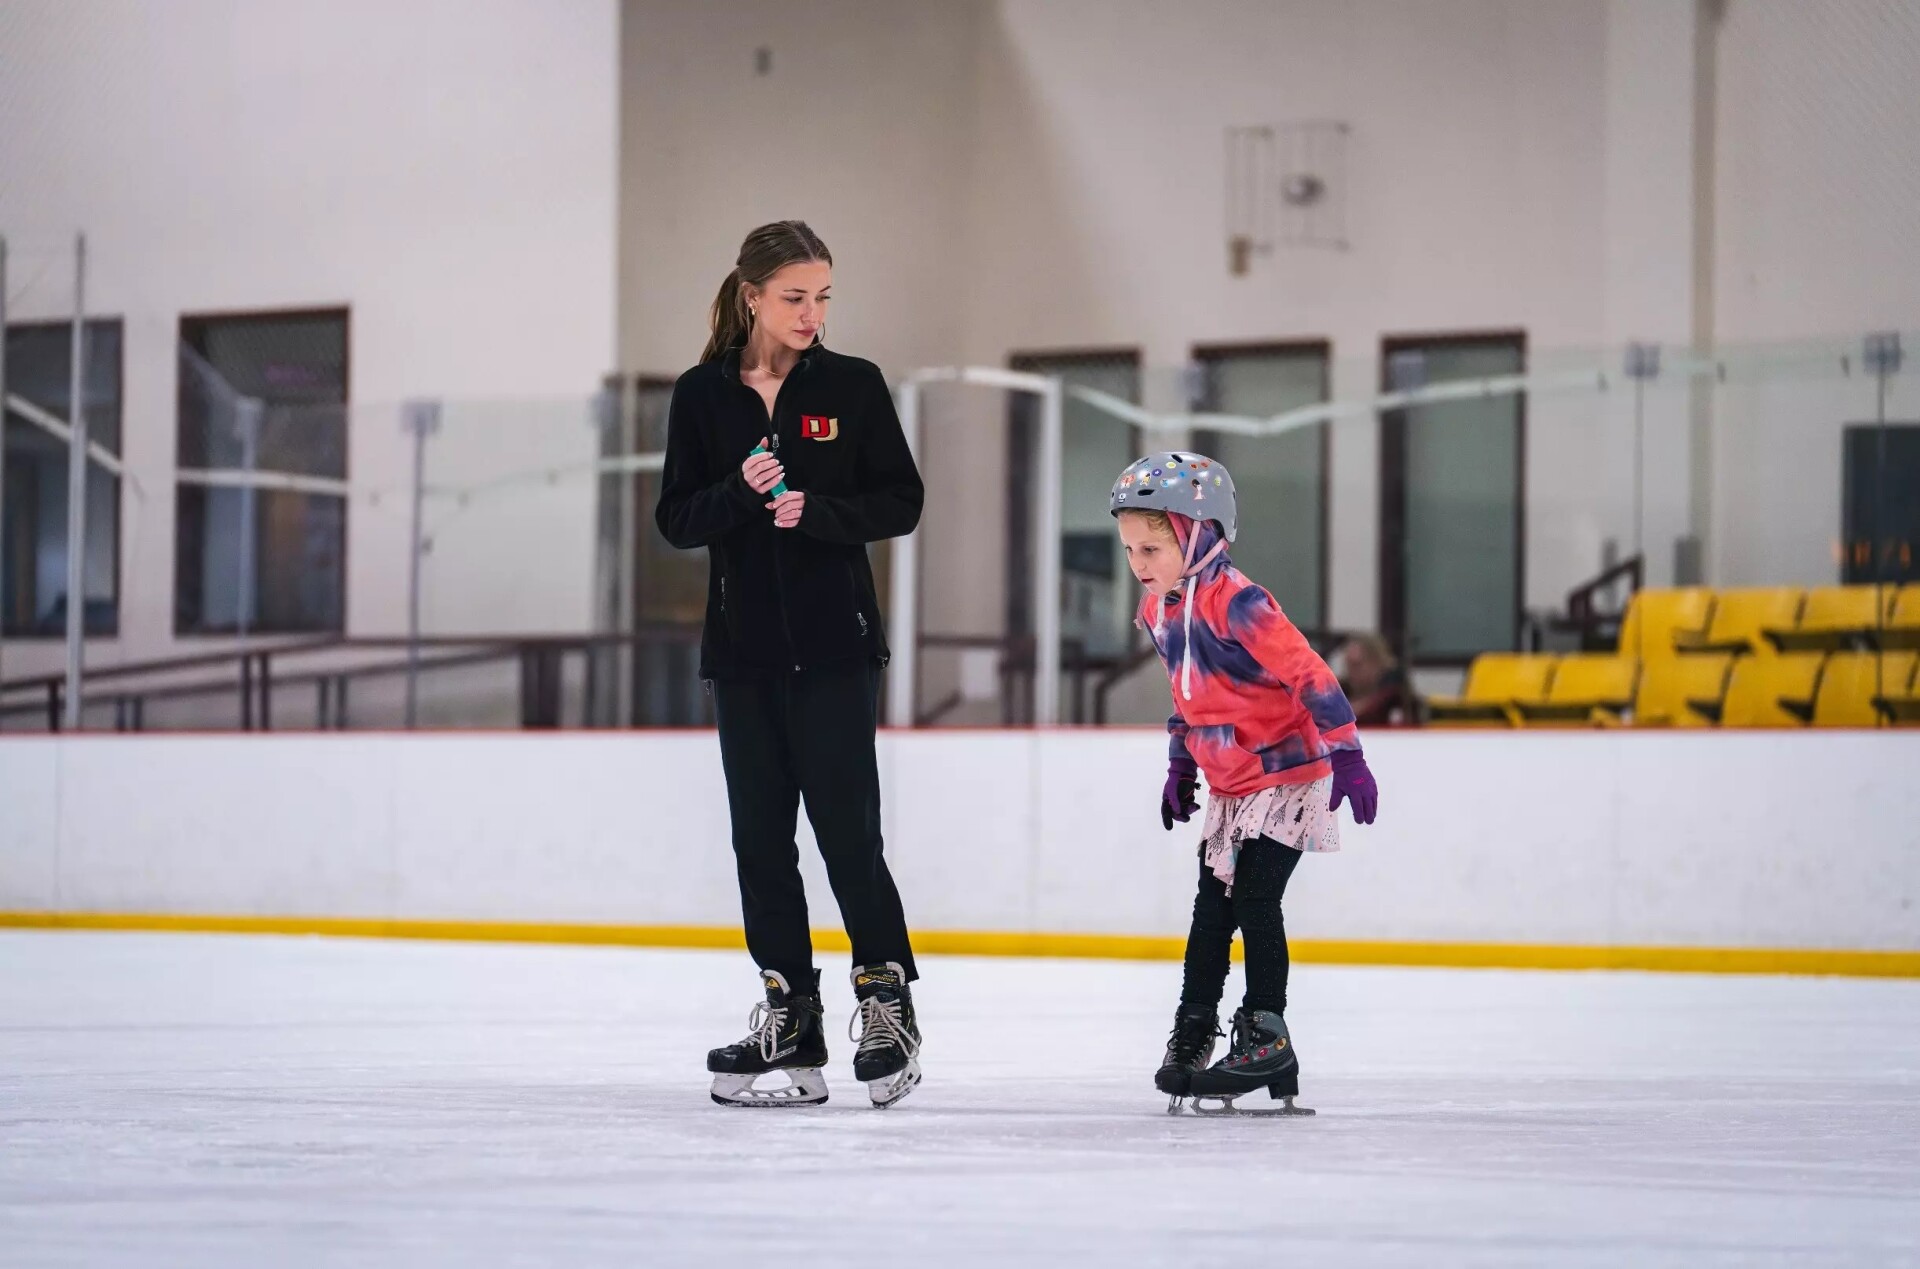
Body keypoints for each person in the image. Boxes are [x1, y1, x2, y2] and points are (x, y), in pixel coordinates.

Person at [654, 221, 925, 1109]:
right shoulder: (702, 396)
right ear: (752, 296)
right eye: (794, 297)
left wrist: (818, 512)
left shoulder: (853, 385)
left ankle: (887, 1008)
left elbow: (902, 500)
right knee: (760, 842)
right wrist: (739, 492)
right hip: (742, 658)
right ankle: (790, 1018)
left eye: (823, 297)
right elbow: (676, 518)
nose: (811, 314)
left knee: (849, 833)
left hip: (838, 649)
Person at [1109, 452, 1379, 1114]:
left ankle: (1266, 1031)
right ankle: (1194, 1029)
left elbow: (1312, 675)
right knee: (1210, 911)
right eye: (1130, 549)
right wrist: (1181, 761)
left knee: (1255, 898)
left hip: (1287, 773)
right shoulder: (1159, 611)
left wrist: (1348, 754)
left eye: (1153, 545)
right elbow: (1188, 693)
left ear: (1198, 534)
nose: (1140, 562)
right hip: (1233, 783)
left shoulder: (1241, 602)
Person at [1336, 632, 1409, 728]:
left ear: (1377, 662)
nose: (1351, 671)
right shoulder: (1339, 691)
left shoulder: (1395, 697)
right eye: (1348, 665)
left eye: (1357, 665)